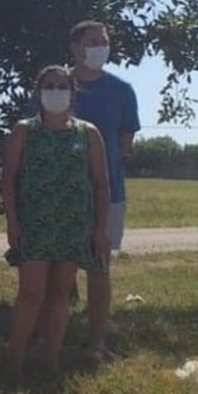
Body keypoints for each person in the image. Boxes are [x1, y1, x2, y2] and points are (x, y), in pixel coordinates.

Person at [3, 65, 110, 381]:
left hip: (73, 224)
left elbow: (102, 184)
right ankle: (16, 361)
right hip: (34, 224)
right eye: (48, 85)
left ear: (72, 91)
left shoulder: (88, 133)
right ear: (38, 91)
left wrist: (99, 229)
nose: (55, 91)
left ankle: (52, 359)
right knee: (30, 293)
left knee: (60, 294)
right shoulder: (25, 130)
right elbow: (8, 178)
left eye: (62, 86)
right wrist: (12, 222)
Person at [69, 20, 140, 360]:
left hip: (107, 194)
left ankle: (97, 341)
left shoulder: (122, 90)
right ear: (75, 48)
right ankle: (49, 335)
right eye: (91, 41)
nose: (99, 47)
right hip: (61, 193)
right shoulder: (56, 85)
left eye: (104, 41)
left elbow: (125, 143)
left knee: (99, 267)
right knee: (57, 266)